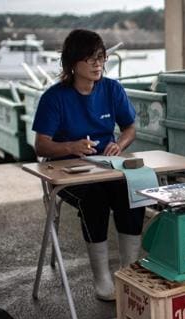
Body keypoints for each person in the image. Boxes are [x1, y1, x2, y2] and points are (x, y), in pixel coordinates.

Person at [32, 29, 143, 301]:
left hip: (105, 164)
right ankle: (102, 278)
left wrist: (120, 144)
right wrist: (71, 147)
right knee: (94, 198)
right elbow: (41, 145)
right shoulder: (54, 98)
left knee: (133, 189)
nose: (98, 65)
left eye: (101, 58)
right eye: (90, 59)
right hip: (64, 171)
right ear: (72, 63)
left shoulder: (112, 89)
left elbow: (130, 127)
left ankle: (128, 272)